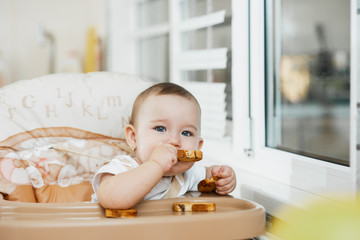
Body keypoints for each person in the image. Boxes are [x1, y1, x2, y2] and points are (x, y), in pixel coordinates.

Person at [92, 82, 236, 209]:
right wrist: (156, 164)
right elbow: (112, 199)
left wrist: (223, 178)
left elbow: (209, 177)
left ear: (198, 147)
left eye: (186, 133)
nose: (174, 141)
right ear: (133, 138)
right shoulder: (122, 168)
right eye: (160, 129)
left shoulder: (186, 175)